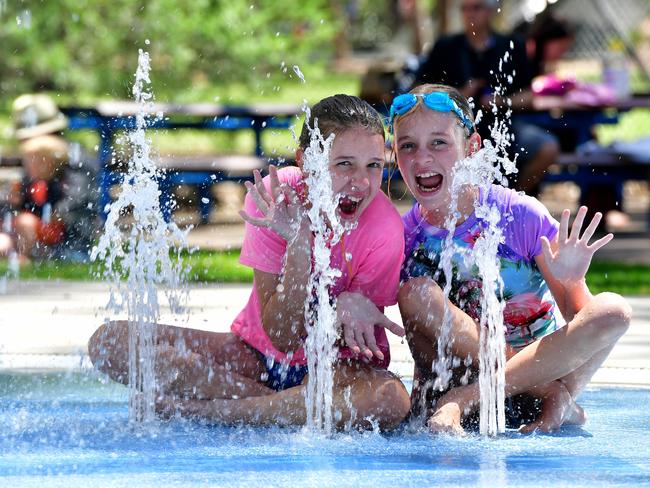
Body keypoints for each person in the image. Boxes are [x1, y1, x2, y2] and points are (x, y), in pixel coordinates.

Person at [88, 94, 411, 431]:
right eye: (344, 164)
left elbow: (351, 348)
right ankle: (281, 408)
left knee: (389, 398)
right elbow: (282, 337)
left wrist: (346, 307)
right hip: (255, 356)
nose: (361, 182)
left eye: (374, 165)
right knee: (109, 342)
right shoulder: (273, 196)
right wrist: (299, 245)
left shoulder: (384, 228)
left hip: (334, 370)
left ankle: (214, 411)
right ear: (307, 161)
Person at [390, 83, 632, 434]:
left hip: (509, 388)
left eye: (439, 142)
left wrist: (570, 280)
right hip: (465, 383)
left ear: (471, 148)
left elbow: (581, 322)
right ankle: (558, 399)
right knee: (417, 294)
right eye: (407, 146)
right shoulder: (402, 237)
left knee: (612, 311)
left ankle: (473, 396)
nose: (422, 158)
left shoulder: (517, 214)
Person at [414, 0, 560, 195]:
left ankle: (509, 199)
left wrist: (501, 102)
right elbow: (417, 91)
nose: (470, 14)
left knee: (547, 147)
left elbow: (529, 96)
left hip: (504, 125)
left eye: (476, 7)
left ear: (491, 10)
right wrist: (458, 95)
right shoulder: (446, 47)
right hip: (453, 126)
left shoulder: (511, 45)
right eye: (465, 8)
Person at [0, 94, 100, 262]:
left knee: (25, 222)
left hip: (70, 243)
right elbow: (20, 199)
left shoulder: (76, 162)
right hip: (38, 235)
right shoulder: (34, 162)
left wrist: (38, 222)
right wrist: (13, 199)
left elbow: (76, 204)